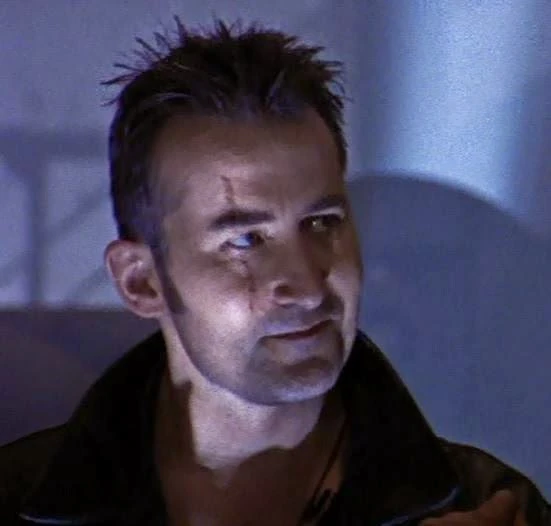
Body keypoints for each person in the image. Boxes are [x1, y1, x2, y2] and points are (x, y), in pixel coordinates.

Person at [0, 18, 549, 526]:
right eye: (245, 240)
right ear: (141, 280)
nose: (308, 285)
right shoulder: (15, 498)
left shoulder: (490, 507)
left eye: (323, 222)